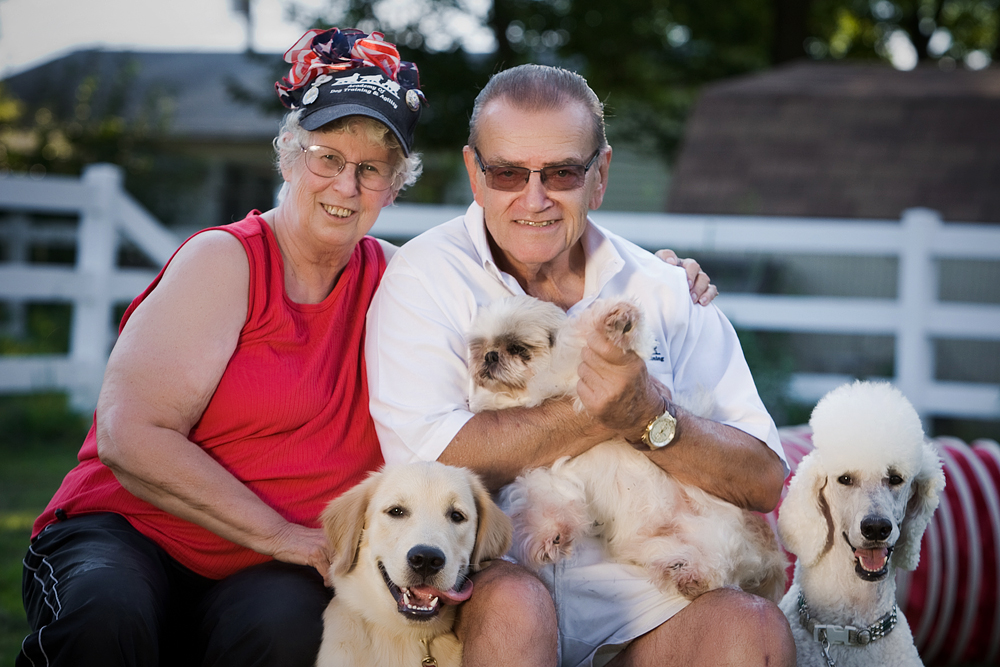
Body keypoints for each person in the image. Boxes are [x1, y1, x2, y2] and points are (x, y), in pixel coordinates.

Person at [17, 31, 714, 667]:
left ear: (394, 182)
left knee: (292, 629)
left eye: (372, 168)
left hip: (267, 569)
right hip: (139, 534)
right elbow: (129, 435)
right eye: (328, 158)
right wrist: (282, 536)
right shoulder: (227, 262)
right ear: (291, 155)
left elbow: (529, 325)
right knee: (108, 617)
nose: (346, 186)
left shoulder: (403, 283)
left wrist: (658, 280)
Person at [366, 64, 796, 667]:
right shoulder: (425, 277)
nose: (534, 198)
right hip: (493, 577)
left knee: (753, 630)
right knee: (517, 605)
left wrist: (653, 416)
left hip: (655, 593)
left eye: (563, 172)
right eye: (508, 172)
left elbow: (762, 479)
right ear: (475, 173)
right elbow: (433, 464)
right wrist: (606, 411)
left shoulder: (665, 290)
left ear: (600, 176)